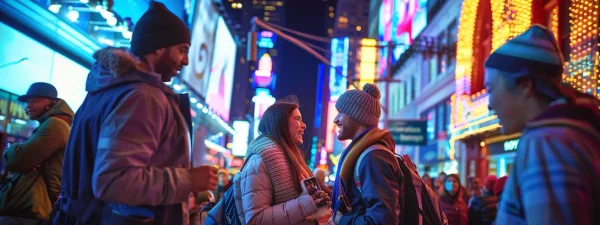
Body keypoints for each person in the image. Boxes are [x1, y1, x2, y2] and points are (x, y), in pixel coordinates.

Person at [53, 2, 218, 224]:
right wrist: (187, 180)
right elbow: (114, 181)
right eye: (182, 50)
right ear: (159, 46)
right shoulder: (143, 96)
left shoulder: (107, 89)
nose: (186, 61)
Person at [485, 24, 600, 225]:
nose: (489, 104)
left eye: (491, 89)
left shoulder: (545, 142)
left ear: (525, 85)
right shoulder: (573, 133)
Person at [233, 99, 331, 225]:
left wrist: (317, 203)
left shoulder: (292, 157)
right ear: (281, 123)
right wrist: (306, 203)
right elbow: (255, 219)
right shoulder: (259, 161)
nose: (303, 125)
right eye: (297, 119)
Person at [0, 83, 74, 224]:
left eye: (34, 101)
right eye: (27, 102)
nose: (28, 106)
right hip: (30, 204)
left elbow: (18, 161)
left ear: (51, 102)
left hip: (32, 206)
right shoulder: (52, 124)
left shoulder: (55, 124)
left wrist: (11, 149)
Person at [329, 83, 402, 225]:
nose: (335, 119)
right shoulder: (366, 154)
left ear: (356, 115)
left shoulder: (373, 157)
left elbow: (382, 221)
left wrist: (341, 220)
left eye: (341, 112)